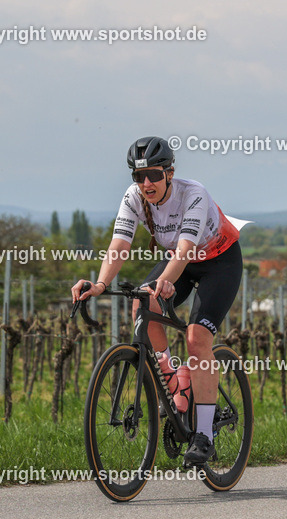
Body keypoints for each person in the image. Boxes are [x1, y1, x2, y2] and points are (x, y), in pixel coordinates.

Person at [71, 136, 243, 466]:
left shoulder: (194, 193)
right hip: (179, 259)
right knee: (142, 304)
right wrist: (100, 283)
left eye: (152, 175)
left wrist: (166, 281)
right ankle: (174, 381)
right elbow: (119, 244)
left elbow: (184, 249)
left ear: (169, 172)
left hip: (219, 262)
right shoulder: (134, 197)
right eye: (138, 177)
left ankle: (204, 434)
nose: (146, 183)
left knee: (196, 339)